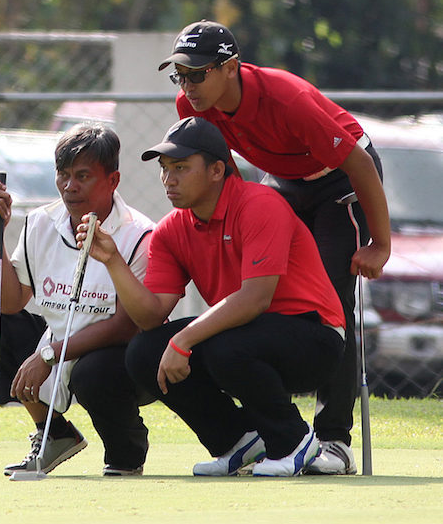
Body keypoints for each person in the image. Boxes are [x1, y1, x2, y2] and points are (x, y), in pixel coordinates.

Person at [156, 19, 391, 475]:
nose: (187, 85)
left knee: (332, 303)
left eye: (197, 72)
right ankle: (275, 433)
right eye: (180, 74)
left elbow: (360, 164)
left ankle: (333, 441)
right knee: (265, 295)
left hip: (340, 180)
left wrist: (380, 244)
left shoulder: (286, 97)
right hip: (285, 181)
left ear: (230, 67)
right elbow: (224, 174)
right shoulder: (192, 103)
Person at [77, 116, 346, 477]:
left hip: (316, 339)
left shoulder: (259, 203)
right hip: (246, 338)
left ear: (217, 170)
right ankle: (237, 443)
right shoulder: (171, 230)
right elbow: (150, 317)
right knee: (145, 351)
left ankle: (294, 443)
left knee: (222, 346)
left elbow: (256, 298)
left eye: (181, 168)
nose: (169, 179)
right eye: (165, 168)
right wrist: (112, 261)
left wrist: (184, 339)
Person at [0, 123, 154, 476]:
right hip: (57, 344)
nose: (70, 186)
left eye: (83, 176)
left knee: (93, 372)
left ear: (113, 180)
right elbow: (11, 303)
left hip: (125, 358)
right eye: (63, 175)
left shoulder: (140, 233)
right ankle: (54, 434)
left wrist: (49, 355)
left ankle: (126, 451)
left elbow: (125, 325)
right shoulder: (40, 222)